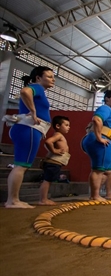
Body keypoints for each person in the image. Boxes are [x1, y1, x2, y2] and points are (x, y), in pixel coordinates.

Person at [4, 66, 55, 208]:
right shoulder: (36, 87)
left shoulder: (39, 91)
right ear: (38, 78)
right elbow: (24, 91)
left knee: (20, 165)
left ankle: (12, 199)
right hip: (29, 129)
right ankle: (13, 200)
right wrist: (33, 111)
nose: (53, 79)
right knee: (21, 166)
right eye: (49, 76)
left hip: (27, 129)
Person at [81, 90, 111, 202]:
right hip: (101, 141)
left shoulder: (110, 111)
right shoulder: (104, 108)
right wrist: (99, 137)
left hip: (108, 142)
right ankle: (95, 195)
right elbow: (97, 119)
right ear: (107, 99)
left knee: (107, 171)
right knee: (98, 169)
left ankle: (95, 193)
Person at [38, 116, 71, 206]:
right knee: (47, 180)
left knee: (48, 180)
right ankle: (43, 199)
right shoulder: (58, 135)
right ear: (58, 126)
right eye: (66, 125)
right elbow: (48, 142)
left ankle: (44, 198)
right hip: (53, 162)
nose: (69, 127)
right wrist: (54, 150)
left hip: (54, 163)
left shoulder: (58, 135)